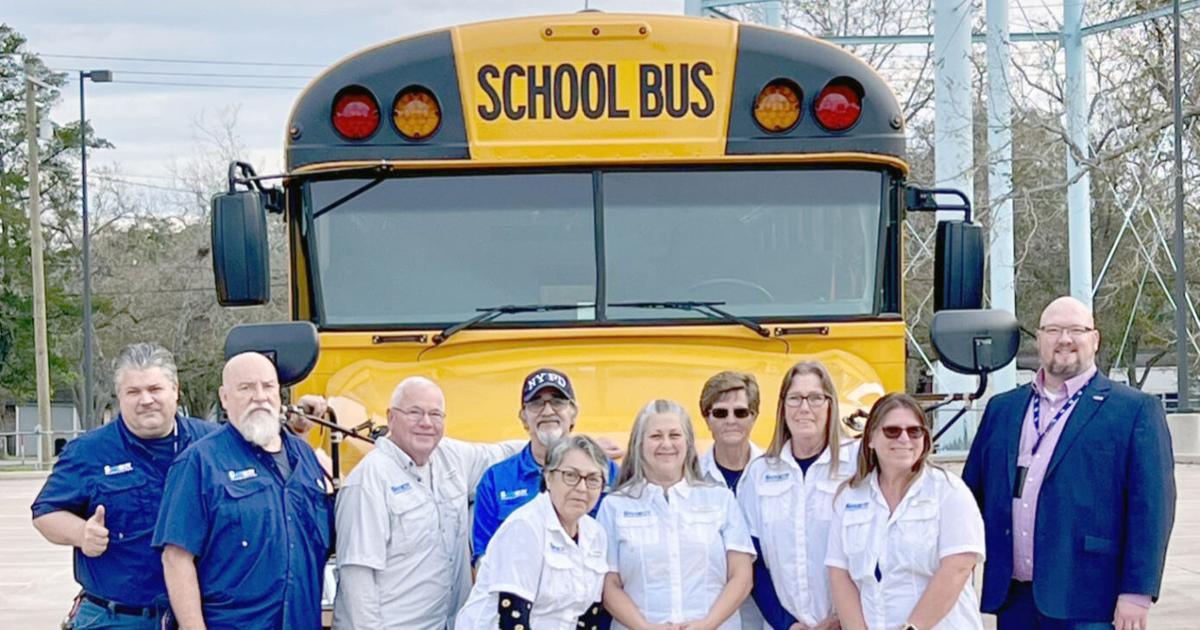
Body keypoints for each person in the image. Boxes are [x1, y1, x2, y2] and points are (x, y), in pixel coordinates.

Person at [962, 296, 1176, 630]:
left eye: (1077, 330)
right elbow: (969, 496)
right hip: (1014, 596)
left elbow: (1152, 507)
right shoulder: (1002, 409)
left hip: (1090, 598)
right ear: (1039, 339)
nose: (1065, 339)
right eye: (1054, 330)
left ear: (1095, 339)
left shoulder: (1134, 411)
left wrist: (1137, 592)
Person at [30, 343, 217, 629]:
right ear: (119, 396)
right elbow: (45, 514)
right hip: (116, 618)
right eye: (133, 392)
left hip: (202, 615)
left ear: (175, 390)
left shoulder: (214, 444)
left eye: (155, 389)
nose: (146, 400)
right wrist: (81, 533)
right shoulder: (88, 451)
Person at [152, 351, 333, 630]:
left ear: (280, 395)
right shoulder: (200, 463)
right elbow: (176, 559)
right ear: (225, 398)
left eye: (267, 386)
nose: (259, 396)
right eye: (246, 388)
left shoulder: (307, 459)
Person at [332, 376, 524, 630]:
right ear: (390, 417)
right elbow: (358, 583)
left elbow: (505, 456)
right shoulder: (368, 481)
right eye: (414, 413)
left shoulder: (452, 457)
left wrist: (569, 447)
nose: (426, 423)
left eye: (435, 414)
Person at [826, 393, 985, 630]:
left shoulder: (949, 491)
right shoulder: (849, 497)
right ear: (870, 438)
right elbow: (839, 574)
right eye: (892, 431)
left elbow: (958, 567)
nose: (904, 439)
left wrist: (911, 628)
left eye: (914, 431)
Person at [598, 399, 755, 630]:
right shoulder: (614, 506)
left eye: (674, 435)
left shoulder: (720, 499)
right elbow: (608, 584)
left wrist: (706, 624)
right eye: (655, 436)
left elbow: (742, 576)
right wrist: (646, 628)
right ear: (639, 444)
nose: (666, 444)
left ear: (689, 443)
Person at [737, 361, 857, 630]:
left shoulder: (858, 466)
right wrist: (786, 624)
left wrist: (845, 618)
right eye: (795, 398)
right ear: (782, 407)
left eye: (815, 398)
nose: (804, 408)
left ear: (830, 404)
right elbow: (751, 562)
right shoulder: (759, 474)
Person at [456, 435, 611, 630]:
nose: (582, 488)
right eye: (570, 475)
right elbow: (512, 618)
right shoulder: (525, 527)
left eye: (593, 479)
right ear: (548, 477)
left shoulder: (595, 534)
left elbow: (588, 616)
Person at [472, 368, 618, 566]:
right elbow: (483, 562)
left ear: (573, 413)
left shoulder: (607, 472)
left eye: (558, 402)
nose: (548, 411)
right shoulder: (496, 480)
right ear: (524, 417)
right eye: (536, 403)